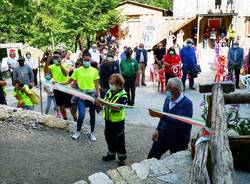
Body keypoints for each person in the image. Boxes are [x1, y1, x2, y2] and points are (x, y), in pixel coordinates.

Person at [148, 78, 193, 159]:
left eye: (167, 88)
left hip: (179, 139)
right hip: (164, 134)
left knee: (177, 162)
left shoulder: (187, 104)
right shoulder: (168, 99)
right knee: (152, 156)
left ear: (175, 90)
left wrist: (160, 115)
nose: (165, 90)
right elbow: (163, 116)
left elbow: (179, 122)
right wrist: (158, 129)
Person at [61, 52, 100, 141]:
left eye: (88, 60)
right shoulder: (77, 71)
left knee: (92, 115)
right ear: (82, 60)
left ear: (91, 60)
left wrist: (97, 97)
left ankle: (92, 133)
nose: (87, 61)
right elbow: (68, 81)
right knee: (81, 115)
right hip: (81, 95)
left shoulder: (94, 70)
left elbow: (97, 85)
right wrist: (58, 83)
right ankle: (78, 131)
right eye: (85, 60)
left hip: (92, 96)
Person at [97, 74, 128, 166]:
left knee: (119, 140)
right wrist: (99, 102)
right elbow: (105, 101)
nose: (111, 85)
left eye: (113, 83)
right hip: (108, 120)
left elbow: (117, 108)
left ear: (119, 84)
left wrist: (104, 103)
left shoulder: (123, 95)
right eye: (110, 83)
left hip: (118, 122)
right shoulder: (110, 91)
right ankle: (111, 154)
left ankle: (122, 158)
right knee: (108, 137)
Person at [44, 51, 77, 121]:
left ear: (61, 58)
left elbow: (65, 73)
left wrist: (61, 64)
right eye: (54, 57)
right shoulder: (51, 67)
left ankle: (75, 118)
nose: (56, 59)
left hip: (66, 88)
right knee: (61, 105)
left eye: (57, 57)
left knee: (70, 105)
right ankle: (65, 119)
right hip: (57, 88)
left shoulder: (67, 65)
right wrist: (47, 61)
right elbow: (47, 76)